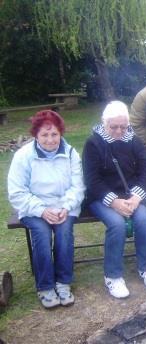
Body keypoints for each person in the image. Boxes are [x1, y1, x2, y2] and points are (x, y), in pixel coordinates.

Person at [82, 101, 146, 299]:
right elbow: (92, 180)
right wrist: (114, 202)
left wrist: (135, 198)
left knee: (142, 219)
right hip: (102, 197)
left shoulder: (134, 140)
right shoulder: (93, 143)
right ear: (104, 123)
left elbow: (145, 171)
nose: (118, 131)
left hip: (131, 195)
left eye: (123, 127)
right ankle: (113, 276)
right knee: (116, 224)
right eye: (113, 127)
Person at [7, 110, 85, 308]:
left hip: (64, 207)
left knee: (64, 232)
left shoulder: (70, 153)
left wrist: (66, 207)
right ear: (36, 135)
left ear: (61, 133)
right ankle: (45, 287)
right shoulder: (23, 156)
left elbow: (78, 187)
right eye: (45, 135)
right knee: (41, 233)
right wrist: (42, 210)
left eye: (54, 134)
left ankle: (63, 282)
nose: (50, 140)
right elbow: (17, 192)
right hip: (33, 208)